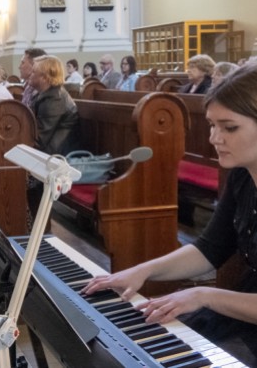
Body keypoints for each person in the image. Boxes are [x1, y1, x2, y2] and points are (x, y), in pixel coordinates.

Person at [82, 63, 257, 366]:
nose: (215, 138)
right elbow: (210, 248)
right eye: (212, 125)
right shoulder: (242, 176)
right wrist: (143, 271)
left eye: (229, 128)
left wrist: (205, 295)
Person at [27, 55, 79, 224]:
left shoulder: (54, 98)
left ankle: (40, 230)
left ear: (45, 77)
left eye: (34, 72)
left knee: (23, 180)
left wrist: (21, 151)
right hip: (50, 151)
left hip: (57, 156)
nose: (30, 75)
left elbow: (42, 138)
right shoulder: (47, 94)